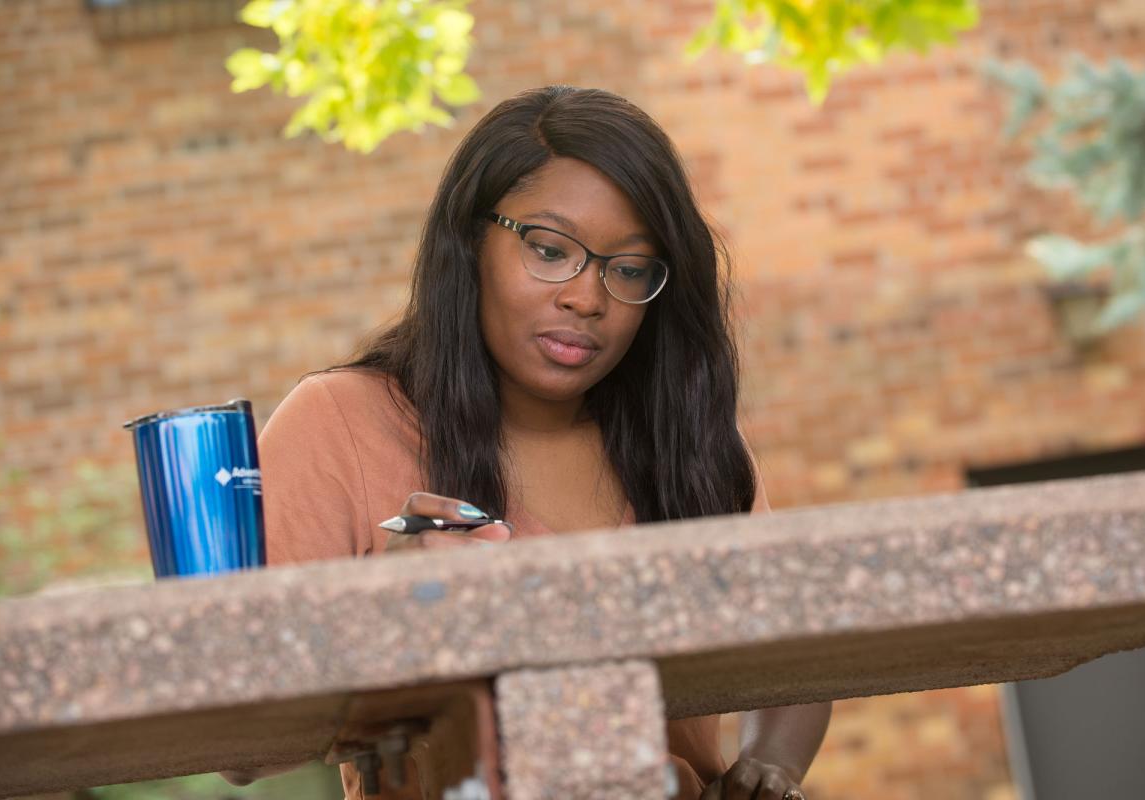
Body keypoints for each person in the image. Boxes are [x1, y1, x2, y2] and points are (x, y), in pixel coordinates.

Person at [250, 85, 831, 799]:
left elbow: (797, 651)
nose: (588, 298)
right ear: (470, 240)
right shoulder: (340, 424)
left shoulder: (683, 443)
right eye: (550, 250)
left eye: (629, 270)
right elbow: (238, 746)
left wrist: (769, 768)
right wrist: (387, 612)